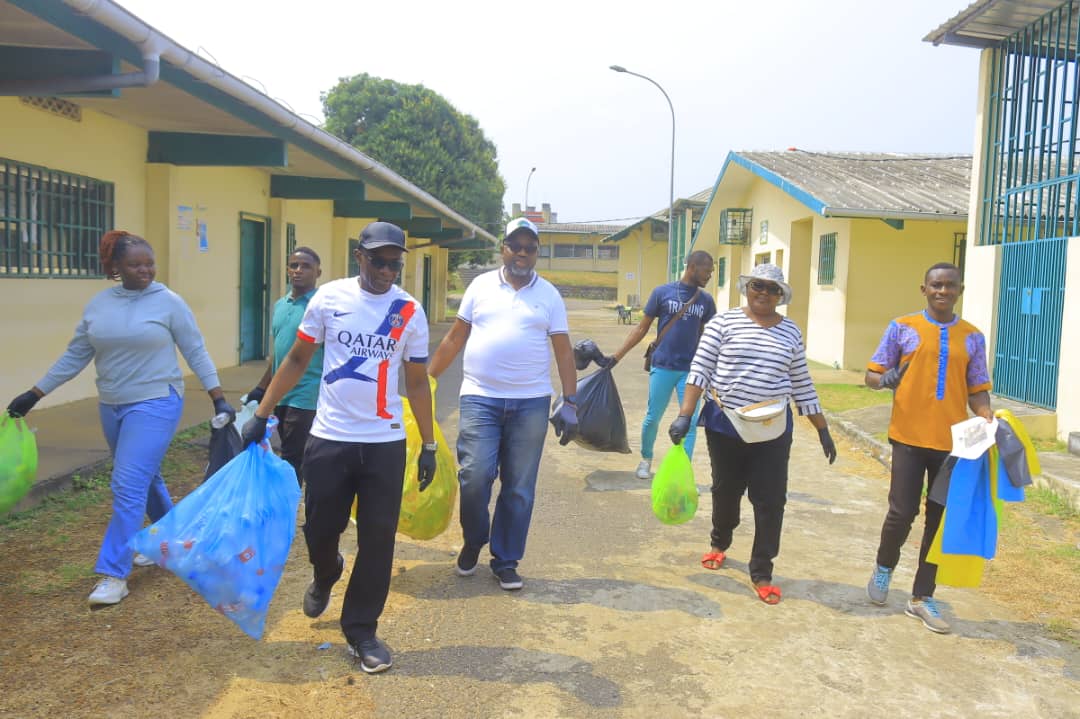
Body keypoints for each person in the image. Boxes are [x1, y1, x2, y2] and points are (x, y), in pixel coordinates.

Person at [240, 221, 436, 674]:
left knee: (378, 540)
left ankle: (362, 630)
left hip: (384, 442)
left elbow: (416, 382)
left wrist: (428, 444)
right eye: (378, 261)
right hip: (329, 438)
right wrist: (262, 413)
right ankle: (326, 571)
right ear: (359, 257)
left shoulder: (409, 310)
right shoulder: (329, 299)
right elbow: (296, 358)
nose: (386, 271)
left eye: (394, 264)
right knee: (320, 530)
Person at [5, 230, 233, 606]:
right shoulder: (99, 305)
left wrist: (218, 398)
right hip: (112, 405)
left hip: (156, 401)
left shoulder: (169, 302)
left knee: (127, 484)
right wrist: (35, 393)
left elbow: (196, 350)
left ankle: (114, 574)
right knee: (146, 477)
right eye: (135, 264)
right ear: (115, 267)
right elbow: (75, 355)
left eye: (149, 264)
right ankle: (174, 541)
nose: (145, 270)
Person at [668, 263, 836, 605]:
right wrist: (685, 414)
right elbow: (700, 369)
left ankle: (762, 570)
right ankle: (720, 542)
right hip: (725, 423)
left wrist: (823, 429)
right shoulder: (723, 323)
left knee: (771, 500)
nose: (764, 293)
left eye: (772, 289)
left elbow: (802, 382)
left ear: (780, 295)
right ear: (747, 288)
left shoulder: (790, 332)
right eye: (758, 285)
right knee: (725, 490)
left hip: (773, 428)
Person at [427, 216, 579, 591]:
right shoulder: (480, 286)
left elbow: (563, 350)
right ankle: (474, 538)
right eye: (515, 246)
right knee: (474, 475)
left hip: (531, 402)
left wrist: (570, 400)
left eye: (530, 248)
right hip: (480, 397)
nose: (522, 254)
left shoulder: (549, 296)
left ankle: (506, 559)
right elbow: (454, 339)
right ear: (503, 249)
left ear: (537, 253)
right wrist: (425, 382)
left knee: (519, 486)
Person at [864, 262, 992, 634]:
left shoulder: (972, 337)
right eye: (936, 285)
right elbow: (872, 375)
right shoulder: (902, 327)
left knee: (939, 520)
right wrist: (884, 379)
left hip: (952, 445)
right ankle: (884, 567)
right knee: (901, 512)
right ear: (924, 289)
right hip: (907, 437)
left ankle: (922, 596)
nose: (942, 291)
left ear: (959, 290)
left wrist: (987, 417)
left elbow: (977, 389)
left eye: (950, 285)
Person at [602, 251, 716, 479]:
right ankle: (646, 459)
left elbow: (709, 336)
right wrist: (616, 357)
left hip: (691, 371)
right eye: (707, 270)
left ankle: (682, 471)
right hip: (663, 365)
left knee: (689, 421)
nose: (710, 275)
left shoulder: (706, 300)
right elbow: (641, 328)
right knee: (653, 418)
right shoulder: (662, 293)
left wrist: (711, 369)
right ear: (692, 267)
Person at [245, 247, 324, 486]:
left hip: (306, 395)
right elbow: (279, 355)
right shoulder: (281, 305)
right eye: (294, 265)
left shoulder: (321, 307)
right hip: (280, 396)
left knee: (293, 457)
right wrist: (262, 388)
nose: (298, 270)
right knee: (289, 455)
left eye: (306, 266)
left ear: (318, 272)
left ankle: (290, 504)